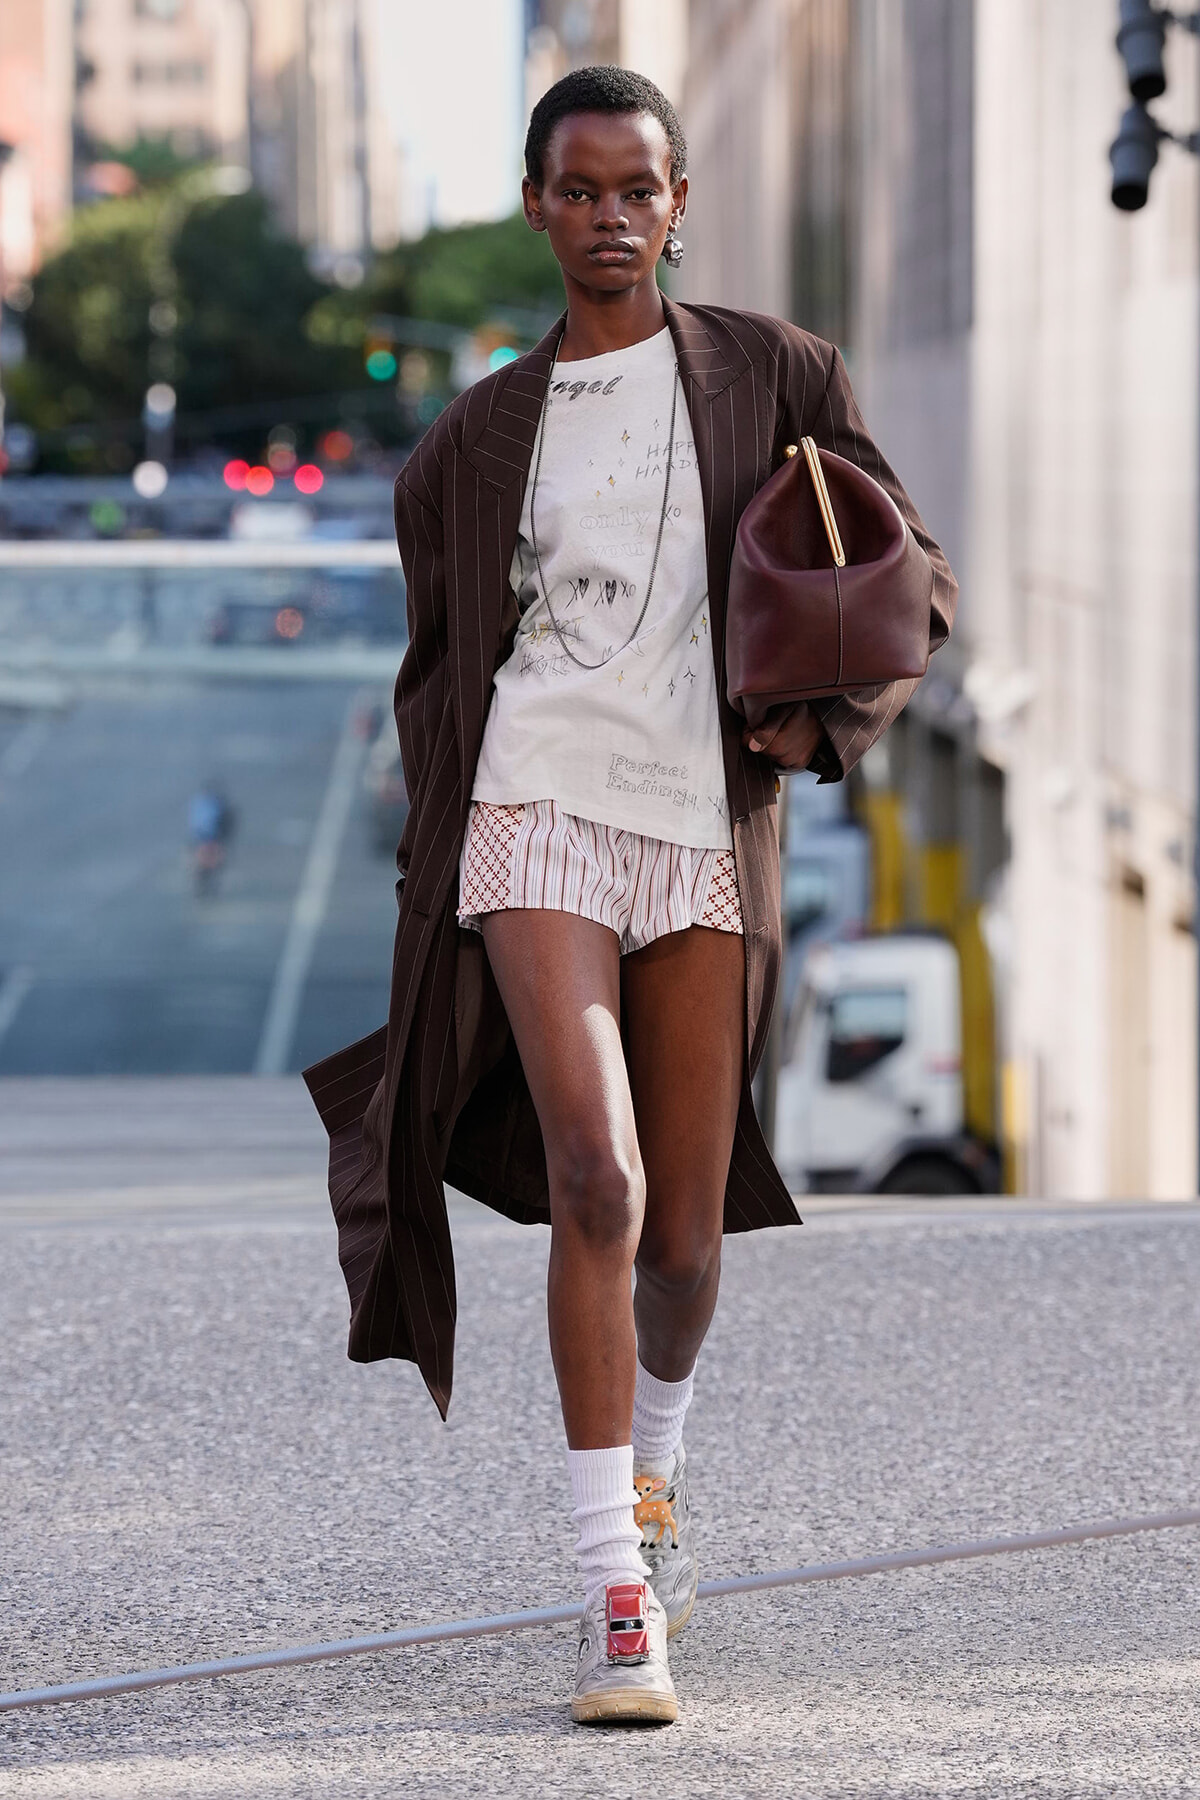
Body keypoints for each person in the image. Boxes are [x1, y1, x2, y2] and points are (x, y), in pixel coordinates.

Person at [303, 65, 956, 1725]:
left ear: (679, 203)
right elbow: (446, 674)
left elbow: (904, 571)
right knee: (592, 1175)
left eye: (637, 189)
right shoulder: (469, 442)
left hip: (698, 819)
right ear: (538, 208)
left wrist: (825, 720)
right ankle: (611, 1593)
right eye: (578, 190)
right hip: (537, 812)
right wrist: (427, 864)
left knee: (679, 1224)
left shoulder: (776, 374)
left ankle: (657, 1483)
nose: (610, 217)